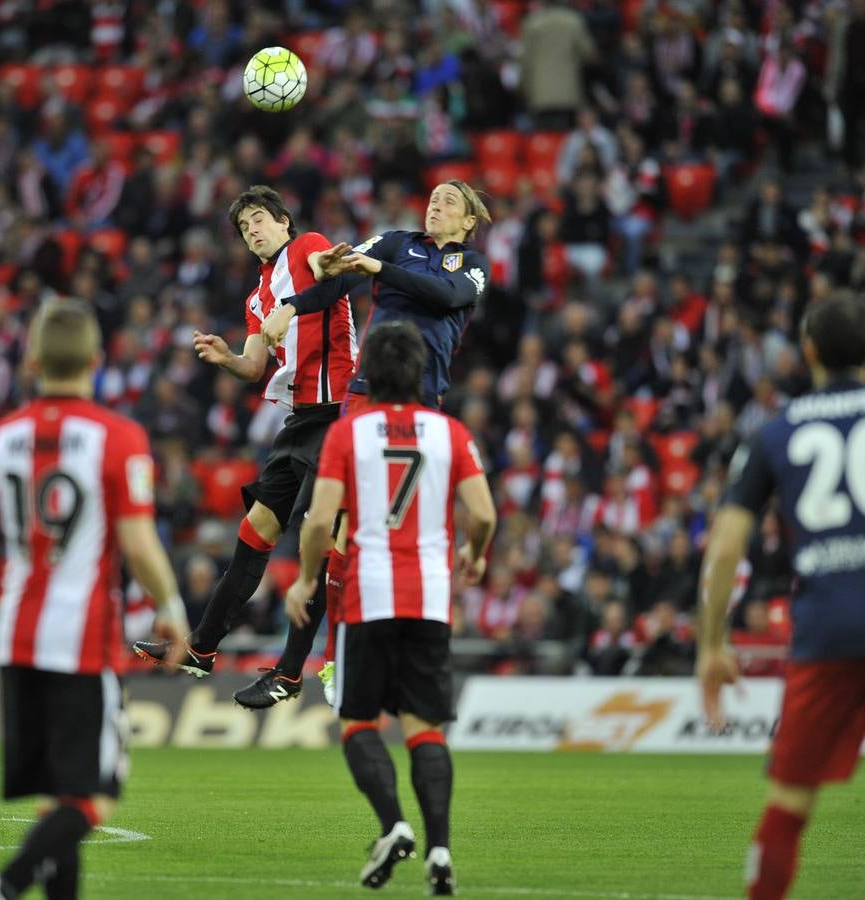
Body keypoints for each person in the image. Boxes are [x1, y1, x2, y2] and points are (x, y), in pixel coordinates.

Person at [697, 295, 865, 900]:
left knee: (789, 802)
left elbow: (725, 548)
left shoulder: (773, 433)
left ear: (807, 352)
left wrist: (712, 643)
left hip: (826, 629)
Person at [0, 300, 190, 900]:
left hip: (16, 638)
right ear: (97, 362)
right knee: (94, 798)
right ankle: (7, 884)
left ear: (33, 361)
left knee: (57, 800)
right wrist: (171, 607)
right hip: (84, 640)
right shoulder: (119, 438)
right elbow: (138, 542)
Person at [283, 321, 496, 894]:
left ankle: (392, 823)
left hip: (367, 596)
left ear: (369, 373)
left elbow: (320, 521)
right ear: (423, 372)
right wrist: (474, 555)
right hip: (429, 597)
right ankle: (442, 851)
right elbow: (484, 513)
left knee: (358, 721)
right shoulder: (449, 431)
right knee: (425, 729)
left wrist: (305, 580)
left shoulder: (349, 433)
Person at [260, 179, 491, 702]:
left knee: (389, 533)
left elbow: (448, 296)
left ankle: (381, 650)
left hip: (423, 406)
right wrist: (294, 304)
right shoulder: (393, 241)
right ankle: (335, 661)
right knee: (342, 528)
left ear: (469, 221)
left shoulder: (472, 266)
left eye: (449, 201)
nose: (435, 204)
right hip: (364, 395)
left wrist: (380, 271)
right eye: (431, 197)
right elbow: (337, 280)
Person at [133, 185, 358, 710]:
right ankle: (201, 649)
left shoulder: (310, 249)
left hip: (341, 413)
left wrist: (292, 308)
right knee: (253, 533)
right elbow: (257, 365)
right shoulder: (257, 296)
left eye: (259, 219)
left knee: (315, 541)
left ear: (284, 222)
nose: (252, 230)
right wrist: (228, 358)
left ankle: (290, 673)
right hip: (299, 421)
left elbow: (336, 285)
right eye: (243, 227)